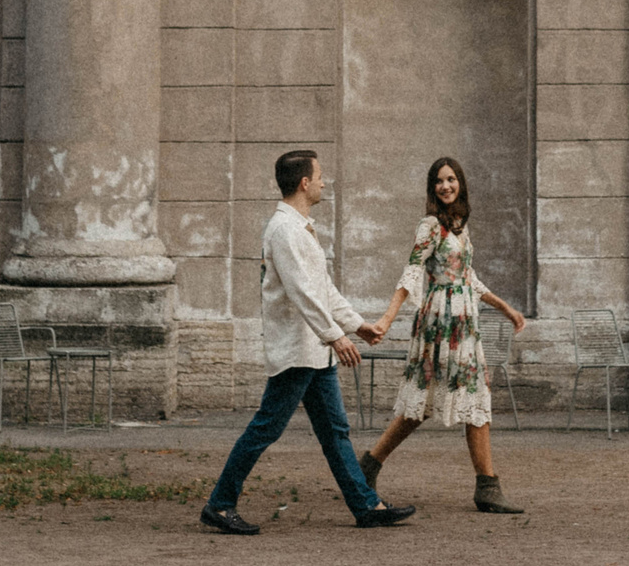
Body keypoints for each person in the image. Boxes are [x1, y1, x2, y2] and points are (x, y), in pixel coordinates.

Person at [200, 149, 417, 535]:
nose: (323, 182)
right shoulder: (284, 230)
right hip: (298, 352)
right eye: (319, 176)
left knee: (335, 432)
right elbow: (302, 292)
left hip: (314, 351)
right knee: (265, 428)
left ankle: (366, 506)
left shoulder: (299, 228)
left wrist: (356, 325)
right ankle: (219, 505)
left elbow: (323, 289)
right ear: (304, 183)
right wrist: (335, 336)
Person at [359, 157, 529, 515]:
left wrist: (506, 308)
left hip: (465, 322)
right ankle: (369, 466)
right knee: (423, 402)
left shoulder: (459, 228)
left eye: (451, 179)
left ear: (460, 184)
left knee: (475, 395)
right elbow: (412, 272)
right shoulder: (431, 226)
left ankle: (487, 486)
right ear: (432, 188)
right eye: (439, 181)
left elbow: (468, 278)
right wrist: (387, 320)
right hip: (439, 321)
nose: (445, 186)